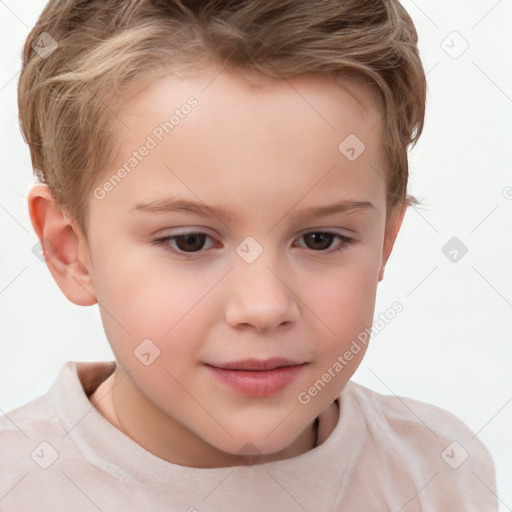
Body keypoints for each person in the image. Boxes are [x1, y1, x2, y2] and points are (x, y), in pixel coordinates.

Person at [0, 0, 498, 510]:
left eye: (321, 239)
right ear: (70, 250)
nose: (264, 307)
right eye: (189, 241)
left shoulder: (442, 473)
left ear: (385, 241)